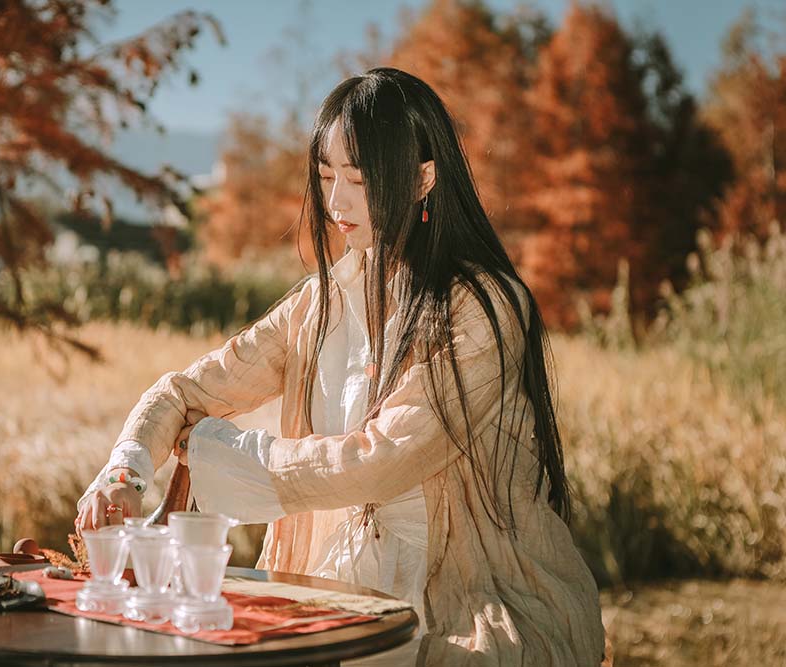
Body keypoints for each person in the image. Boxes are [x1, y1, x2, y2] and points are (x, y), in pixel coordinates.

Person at [76, 67, 606, 666]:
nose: (336, 202)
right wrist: (125, 474)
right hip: (337, 583)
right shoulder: (320, 303)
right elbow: (185, 391)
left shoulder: (485, 307)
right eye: (327, 176)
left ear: (424, 178)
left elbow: (382, 459)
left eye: (359, 178)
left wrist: (217, 450)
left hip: (466, 600)